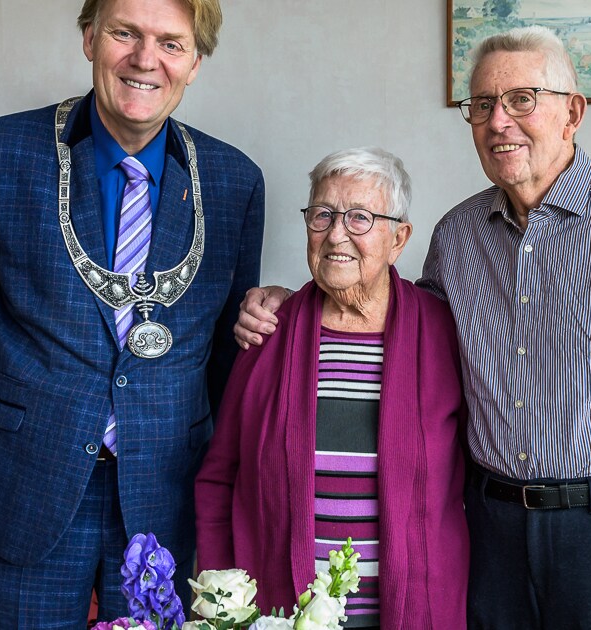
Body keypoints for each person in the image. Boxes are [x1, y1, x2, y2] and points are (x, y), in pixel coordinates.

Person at [233, 26, 591, 630]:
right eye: (482, 105)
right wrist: (285, 300)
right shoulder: (457, 235)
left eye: (521, 100)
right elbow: (399, 332)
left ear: (573, 113)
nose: (498, 120)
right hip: (493, 537)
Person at [0, 0, 264, 626]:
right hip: (26, 480)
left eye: (172, 43)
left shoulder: (234, 181)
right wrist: (33, 413)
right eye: (125, 34)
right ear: (90, 39)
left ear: (195, 62)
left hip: (166, 487)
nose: (147, 60)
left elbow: (224, 350)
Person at [195, 148, 469, 629]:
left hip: (417, 607)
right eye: (322, 214)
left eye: (361, 218)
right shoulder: (266, 332)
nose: (336, 233)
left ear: (398, 239)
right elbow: (220, 477)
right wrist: (219, 600)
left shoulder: (444, 332)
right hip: (280, 613)